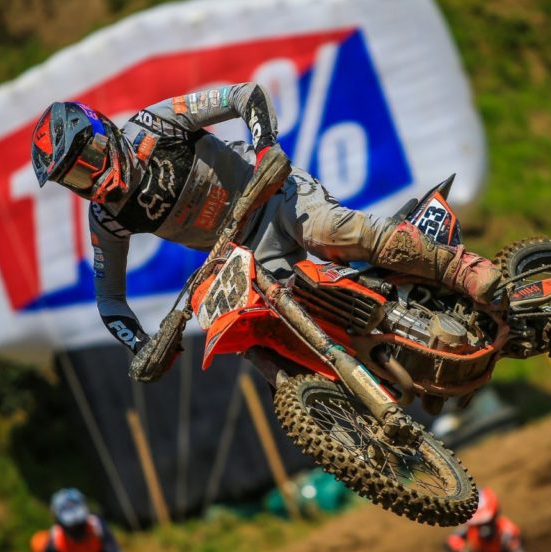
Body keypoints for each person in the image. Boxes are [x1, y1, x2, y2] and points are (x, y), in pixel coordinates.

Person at [30, 82, 502, 368]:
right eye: (75, 176)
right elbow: (110, 299)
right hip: (243, 255)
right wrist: (141, 345)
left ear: (103, 131)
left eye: (88, 157)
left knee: (329, 232)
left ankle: (460, 268)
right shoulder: (108, 218)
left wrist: (265, 148)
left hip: (275, 195)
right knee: (256, 333)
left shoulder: (157, 124)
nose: (90, 176)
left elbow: (244, 95)